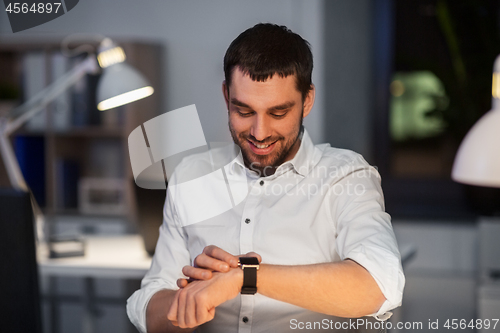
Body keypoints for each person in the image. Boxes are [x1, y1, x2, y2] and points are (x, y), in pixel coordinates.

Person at [127, 23, 405, 333]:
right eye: (244, 111)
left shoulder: (346, 176)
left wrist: (244, 277)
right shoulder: (191, 176)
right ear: (225, 96)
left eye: (278, 112)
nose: (259, 133)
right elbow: (150, 303)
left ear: (307, 101)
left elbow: (379, 285)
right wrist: (190, 301)